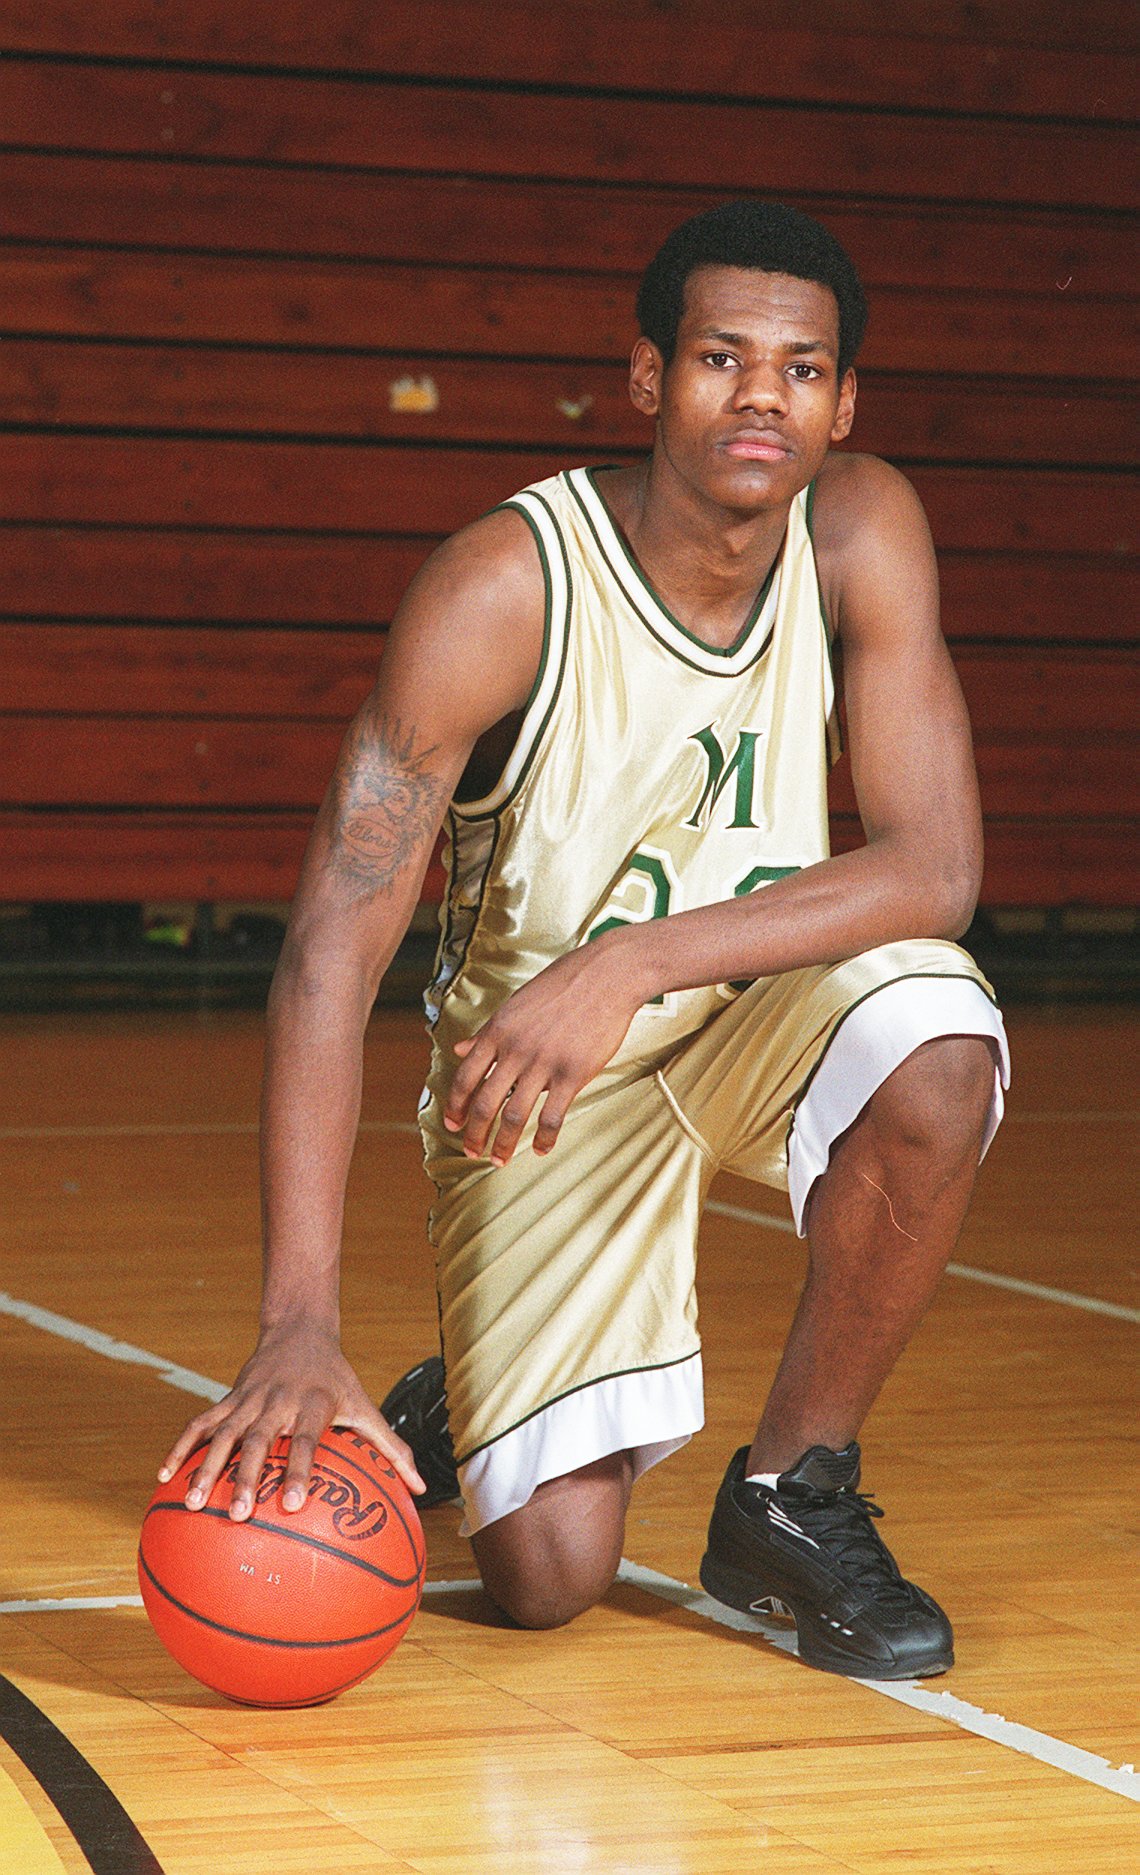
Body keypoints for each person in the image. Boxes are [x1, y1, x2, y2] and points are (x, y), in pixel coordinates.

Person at [161, 199, 1009, 1681]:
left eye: (803, 370)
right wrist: (299, 1315)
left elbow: (935, 868)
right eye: (721, 359)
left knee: (939, 1043)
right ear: (644, 378)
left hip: (730, 1011)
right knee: (550, 1582)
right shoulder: (505, 586)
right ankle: (461, 1401)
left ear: (845, 400)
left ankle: (788, 1497)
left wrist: (627, 964)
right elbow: (330, 948)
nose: (763, 396)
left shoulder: (863, 530)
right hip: (533, 1085)